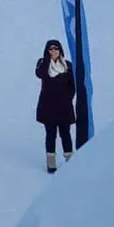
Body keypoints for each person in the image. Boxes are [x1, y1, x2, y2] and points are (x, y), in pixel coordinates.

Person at [35, 39, 75, 174]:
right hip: (48, 107)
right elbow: (40, 74)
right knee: (50, 135)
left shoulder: (67, 66)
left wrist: (67, 99)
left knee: (66, 134)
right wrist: (47, 60)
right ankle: (51, 164)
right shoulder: (43, 64)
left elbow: (72, 86)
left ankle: (71, 161)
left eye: (56, 49)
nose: (53, 52)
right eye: (50, 49)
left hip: (64, 107)